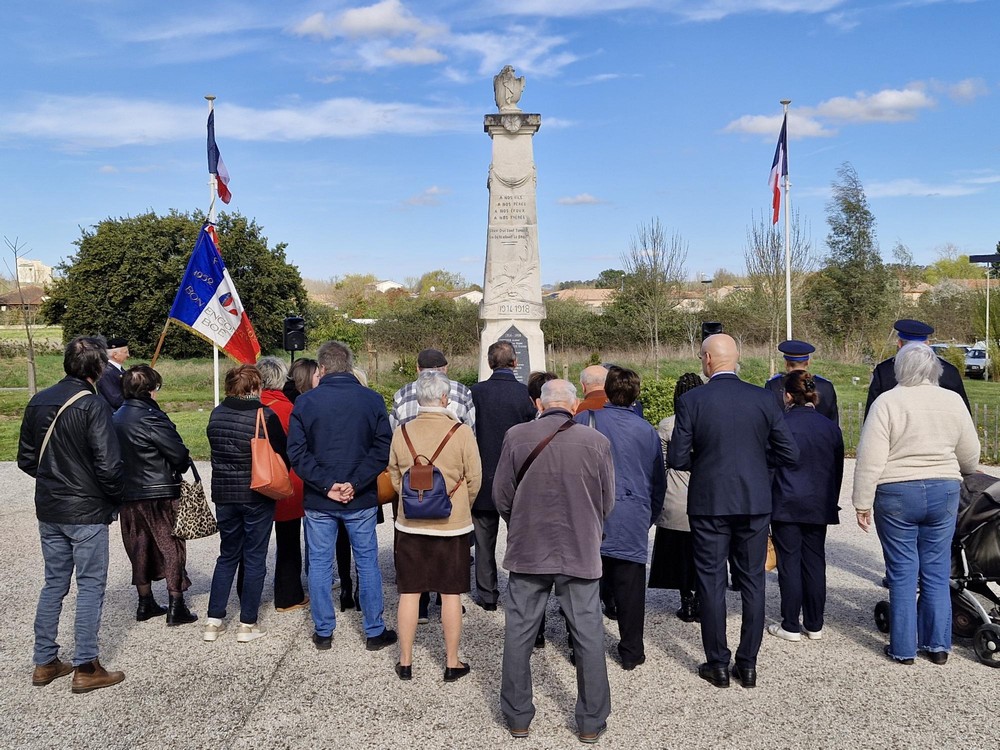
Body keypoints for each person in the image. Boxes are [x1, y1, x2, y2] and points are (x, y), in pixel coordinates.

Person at [668, 333, 798, 689]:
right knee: (753, 580)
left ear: (708, 359)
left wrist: (707, 464)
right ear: (736, 358)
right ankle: (748, 664)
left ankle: (718, 664)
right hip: (753, 501)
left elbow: (677, 457)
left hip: (710, 501)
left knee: (711, 581)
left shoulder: (692, 400)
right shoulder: (763, 398)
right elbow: (790, 453)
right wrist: (755, 463)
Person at [494, 379, 614, 742]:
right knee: (588, 633)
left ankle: (518, 716)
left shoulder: (516, 436)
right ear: (575, 406)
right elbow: (607, 500)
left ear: (539, 404)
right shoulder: (596, 442)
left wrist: (520, 523)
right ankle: (590, 721)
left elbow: (501, 495)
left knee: (519, 631)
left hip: (529, 548)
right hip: (579, 547)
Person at [854, 343, 980, 665]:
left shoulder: (887, 402)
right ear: (935, 370)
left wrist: (862, 502)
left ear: (900, 370)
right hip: (944, 490)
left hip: (897, 491)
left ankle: (904, 649)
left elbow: (870, 458)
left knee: (902, 572)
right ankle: (938, 646)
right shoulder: (952, 401)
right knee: (936, 570)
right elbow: (970, 456)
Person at [18, 336, 126, 692]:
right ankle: (86, 665)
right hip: (86, 509)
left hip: (51, 506)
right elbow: (109, 465)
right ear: (99, 368)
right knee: (91, 585)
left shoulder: (38, 400)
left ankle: (44, 660)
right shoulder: (93, 405)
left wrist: (55, 478)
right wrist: (114, 498)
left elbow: (26, 459)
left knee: (54, 583)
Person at [287, 340, 397, 652]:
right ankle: (373, 630)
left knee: (320, 564)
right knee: (367, 562)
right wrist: (354, 482)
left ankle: (324, 631)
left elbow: (296, 453)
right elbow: (382, 448)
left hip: (321, 497)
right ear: (348, 365)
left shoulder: (305, 403)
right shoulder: (371, 399)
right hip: (357, 496)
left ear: (321, 369)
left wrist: (327, 485)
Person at [387, 371, 482, 681]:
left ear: (418, 398)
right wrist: (460, 505)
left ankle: (405, 661)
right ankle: (452, 662)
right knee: (451, 593)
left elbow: (394, 474)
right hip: (451, 525)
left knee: (409, 592)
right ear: (445, 398)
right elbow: (474, 478)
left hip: (410, 524)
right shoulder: (462, 432)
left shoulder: (402, 432)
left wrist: (412, 501)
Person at [576, 366, 665, 670]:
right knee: (630, 588)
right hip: (632, 512)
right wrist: (648, 514)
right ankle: (631, 650)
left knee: (586, 585)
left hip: (591, 511)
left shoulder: (585, 420)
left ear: (607, 390)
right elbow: (657, 481)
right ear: (637, 393)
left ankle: (582, 648)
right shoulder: (646, 430)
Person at [389, 348, 476, 622]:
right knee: (450, 578)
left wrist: (406, 494)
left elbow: (393, 467)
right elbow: (473, 472)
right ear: (446, 369)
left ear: (417, 369)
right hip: (450, 500)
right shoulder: (463, 394)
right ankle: (445, 605)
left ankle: (421, 608)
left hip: (411, 498)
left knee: (412, 576)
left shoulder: (401, 396)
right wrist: (460, 501)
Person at [203, 365, 287, 644]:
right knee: (254, 557)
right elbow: (283, 453)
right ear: (255, 387)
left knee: (227, 555)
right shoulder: (265, 415)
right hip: (256, 493)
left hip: (224, 493)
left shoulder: (216, 413)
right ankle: (247, 622)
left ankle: (214, 620)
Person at [112, 365, 197, 626]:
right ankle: (176, 603)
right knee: (171, 546)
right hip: (159, 492)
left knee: (138, 545)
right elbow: (178, 455)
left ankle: (144, 601)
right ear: (150, 390)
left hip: (129, 493)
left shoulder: (115, 417)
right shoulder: (152, 418)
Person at [767, 370, 844, 643]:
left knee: (789, 563)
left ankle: (790, 623)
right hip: (818, 502)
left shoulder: (780, 425)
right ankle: (814, 622)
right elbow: (837, 470)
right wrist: (830, 499)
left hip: (786, 501)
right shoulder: (830, 428)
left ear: (787, 395)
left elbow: (770, 467)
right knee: (815, 562)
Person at [469, 340, 536, 611]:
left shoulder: (475, 392)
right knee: (520, 540)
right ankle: (522, 593)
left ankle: (487, 595)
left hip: (484, 476)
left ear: (489, 363)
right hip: (518, 478)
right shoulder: (525, 394)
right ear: (515, 363)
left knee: (484, 542)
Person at [648, 373, 704, 623]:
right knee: (704, 551)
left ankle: (686, 600)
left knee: (680, 553)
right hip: (705, 491)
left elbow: (660, 463)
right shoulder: (710, 421)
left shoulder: (667, 424)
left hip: (676, 491)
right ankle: (702, 598)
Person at [257, 356, 309, 613]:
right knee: (288, 541)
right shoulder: (288, 408)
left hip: (256, 478)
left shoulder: (251, 406)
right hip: (285, 479)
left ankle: (249, 594)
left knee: (253, 541)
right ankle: (288, 594)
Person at [865, 319, 969, 418]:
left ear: (900, 344)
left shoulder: (883, 371)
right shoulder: (949, 371)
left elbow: (872, 414)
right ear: (927, 344)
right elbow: (964, 413)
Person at [389, 348, 476, 431]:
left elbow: (393, 431)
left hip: (410, 440)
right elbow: (471, 430)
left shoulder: (402, 394)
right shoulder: (462, 391)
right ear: (446, 368)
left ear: (418, 369)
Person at [764, 339, 839, 423]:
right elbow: (833, 421)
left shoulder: (773, 385)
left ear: (786, 363)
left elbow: (768, 419)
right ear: (808, 362)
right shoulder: (826, 386)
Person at [96, 336, 129, 410]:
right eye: (125, 352)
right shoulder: (106, 373)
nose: (128, 355)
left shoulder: (119, 370)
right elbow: (116, 400)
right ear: (115, 355)